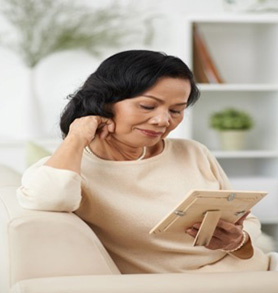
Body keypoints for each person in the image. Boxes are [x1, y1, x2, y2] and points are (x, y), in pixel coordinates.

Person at [17, 50, 269, 273]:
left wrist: (238, 241)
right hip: (196, 285)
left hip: (253, 270)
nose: (163, 121)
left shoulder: (193, 152)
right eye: (148, 106)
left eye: (175, 110)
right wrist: (76, 135)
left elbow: (247, 220)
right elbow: (49, 198)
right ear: (104, 102)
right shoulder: (69, 168)